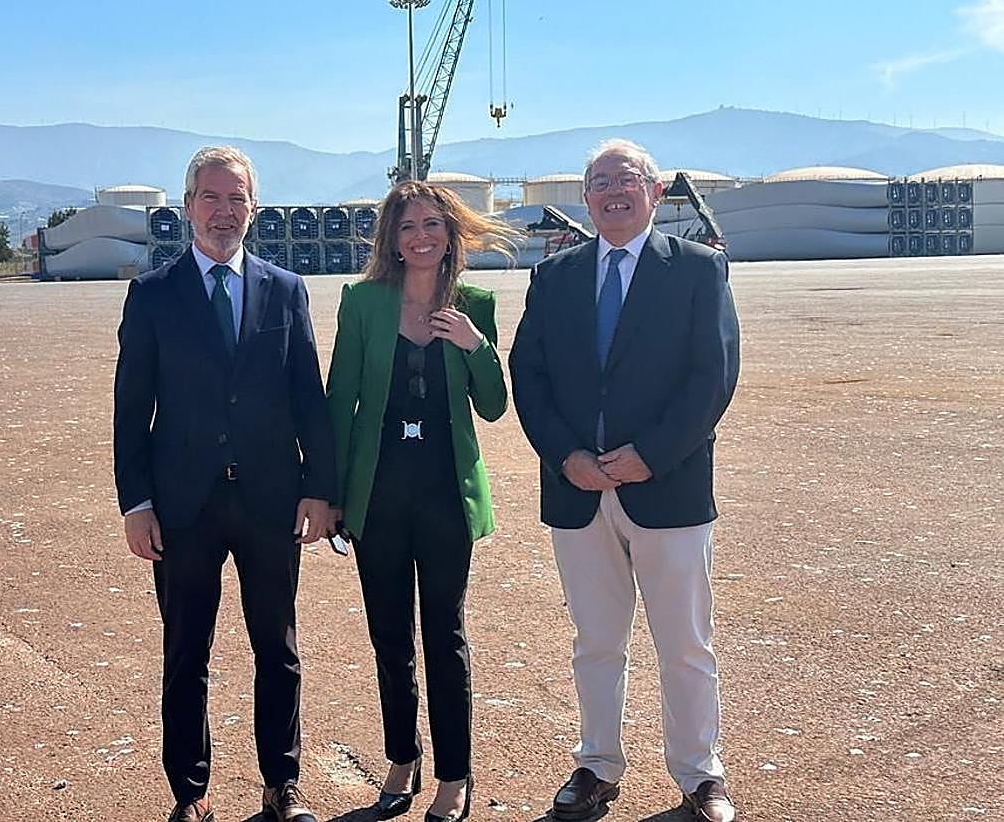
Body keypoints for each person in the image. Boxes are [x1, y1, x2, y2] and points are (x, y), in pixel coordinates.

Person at [509, 139, 741, 822]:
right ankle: (596, 765)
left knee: (685, 644)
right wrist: (565, 456)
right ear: (586, 198)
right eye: (600, 182)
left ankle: (700, 774)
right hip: (579, 492)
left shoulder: (697, 269)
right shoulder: (554, 277)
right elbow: (530, 375)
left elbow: (713, 376)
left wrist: (652, 454)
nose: (614, 191)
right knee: (596, 642)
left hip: (668, 489)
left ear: (655, 191)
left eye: (627, 178)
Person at [113, 145, 335, 822]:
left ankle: (281, 785)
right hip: (183, 505)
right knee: (186, 652)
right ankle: (192, 793)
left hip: (271, 498)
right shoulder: (153, 294)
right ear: (187, 207)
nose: (223, 210)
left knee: (278, 647)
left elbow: (309, 396)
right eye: (210, 196)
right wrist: (136, 502)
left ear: (253, 209)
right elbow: (131, 407)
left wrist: (320, 487)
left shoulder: (285, 289)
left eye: (237, 197)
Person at [326, 180, 519, 822]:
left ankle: (454, 775)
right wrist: (330, 494)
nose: (421, 237)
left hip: (445, 498)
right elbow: (339, 400)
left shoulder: (474, 304)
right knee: (389, 637)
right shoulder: (362, 302)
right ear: (392, 239)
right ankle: (401, 757)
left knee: (445, 635)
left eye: (432, 224)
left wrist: (473, 344)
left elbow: (493, 405)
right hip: (378, 495)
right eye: (408, 226)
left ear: (450, 233)